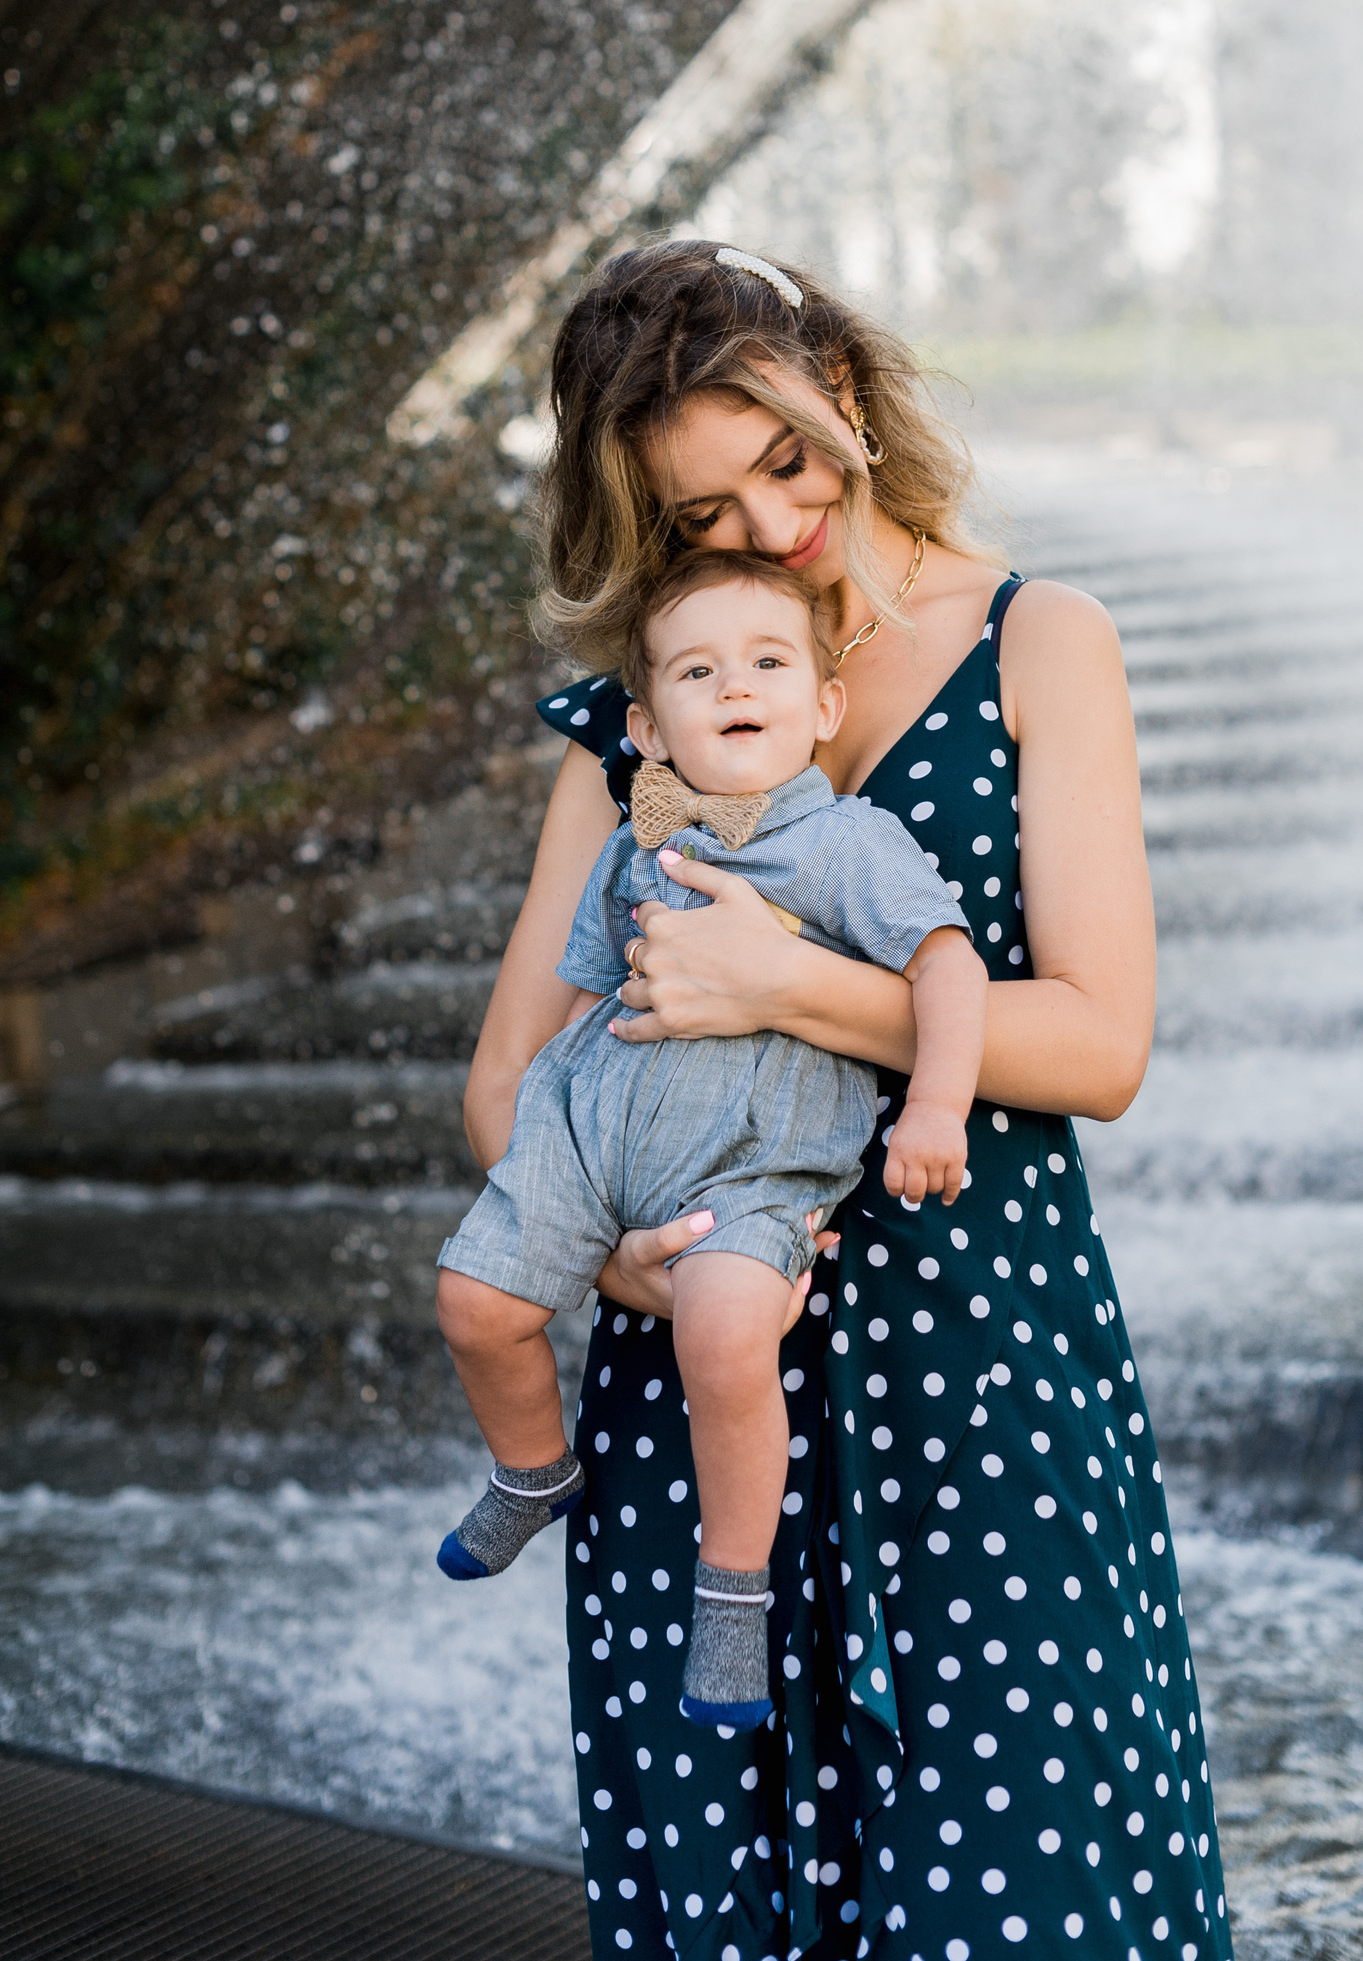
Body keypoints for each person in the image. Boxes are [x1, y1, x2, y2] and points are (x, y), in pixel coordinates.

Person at [458, 239, 1234, 1959]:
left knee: (1019, 1890)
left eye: (784, 459)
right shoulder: (646, 713)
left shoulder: (1041, 639)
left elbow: (1100, 1044)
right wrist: (607, 1263)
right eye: (707, 508)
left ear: (848, 389)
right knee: (731, 1896)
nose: (770, 524)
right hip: (708, 1397)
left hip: (985, 1376)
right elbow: (508, 1080)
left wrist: (786, 986)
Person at [435, 549, 987, 1732]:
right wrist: (550, 1164)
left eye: (768, 662)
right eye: (698, 669)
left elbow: (948, 963)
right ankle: (532, 1469)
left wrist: (936, 1106)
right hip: (592, 1144)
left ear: (822, 704)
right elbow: (580, 998)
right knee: (473, 1302)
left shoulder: (845, 842)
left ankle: (732, 1592)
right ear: (645, 721)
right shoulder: (633, 839)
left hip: (751, 1167)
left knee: (725, 1323)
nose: (735, 685)